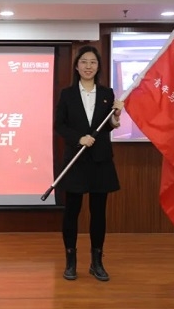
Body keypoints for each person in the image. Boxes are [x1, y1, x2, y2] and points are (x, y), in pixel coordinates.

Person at [54, 45, 124, 282]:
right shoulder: (67, 94)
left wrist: (116, 116)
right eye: (84, 62)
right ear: (76, 66)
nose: (88, 66)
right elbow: (60, 125)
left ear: (98, 67)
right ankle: (71, 261)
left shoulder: (107, 93)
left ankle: (97, 262)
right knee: (72, 212)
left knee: (99, 213)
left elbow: (108, 126)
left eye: (93, 62)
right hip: (76, 159)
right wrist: (78, 138)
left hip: (100, 160)